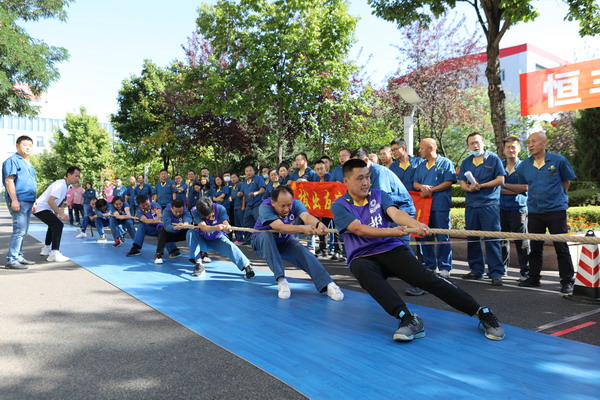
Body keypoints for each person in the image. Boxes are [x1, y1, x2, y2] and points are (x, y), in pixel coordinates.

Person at [331, 159, 504, 341]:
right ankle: (408, 319)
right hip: (362, 255)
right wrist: (391, 231)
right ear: (346, 181)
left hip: (390, 248)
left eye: (368, 177)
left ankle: (481, 312)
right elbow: (359, 229)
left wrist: (416, 224)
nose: (366, 182)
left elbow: (396, 214)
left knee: (427, 279)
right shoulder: (340, 205)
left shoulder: (379, 195)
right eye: (360, 178)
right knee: (362, 271)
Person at [251, 186, 344, 301]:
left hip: (284, 241)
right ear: (273, 203)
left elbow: (306, 216)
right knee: (266, 235)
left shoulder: (296, 204)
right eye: (282, 206)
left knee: (303, 251)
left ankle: (328, 284)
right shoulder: (265, 207)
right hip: (262, 242)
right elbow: (280, 227)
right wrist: (302, 229)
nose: (286, 209)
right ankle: (281, 280)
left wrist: (318, 225)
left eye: (289, 205)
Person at [515, 131, 577, 294]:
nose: (530, 145)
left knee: (561, 246)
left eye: (534, 141)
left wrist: (558, 199)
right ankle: (534, 278)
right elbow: (524, 186)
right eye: (528, 142)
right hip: (534, 211)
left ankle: (567, 280)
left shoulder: (559, 161)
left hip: (556, 211)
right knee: (535, 247)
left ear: (544, 143)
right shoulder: (524, 165)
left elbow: (566, 182)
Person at [458, 132, 506, 286]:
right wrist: (468, 188)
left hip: (489, 205)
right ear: (468, 146)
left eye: (477, 142)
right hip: (471, 204)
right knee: (472, 238)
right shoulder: (466, 161)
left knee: (492, 238)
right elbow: (461, 182)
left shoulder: (493, 159)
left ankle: (496, 273)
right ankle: (476, 270)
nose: (475, 145)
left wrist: (482, 186)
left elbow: (501, 179)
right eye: (471, 143)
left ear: (483, 143)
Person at [412, 138, 456, 279]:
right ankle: (429, 265)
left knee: (443, 235)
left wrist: (431, 189)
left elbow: (449, 182)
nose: (419, 151)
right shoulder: (421, 165)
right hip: (424, 207)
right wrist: (421, 187)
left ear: (431, 148)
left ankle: (444, 267)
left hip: (440, 206)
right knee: (425, 235)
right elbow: (415, 183)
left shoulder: (446, 163)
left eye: (421, 148)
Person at [187, 197, 256, 278]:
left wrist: (227, 227)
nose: (207, 218)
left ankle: (246, 266)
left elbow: (225, 222)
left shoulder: (220, 208)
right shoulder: (194, 210)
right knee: (190, 233)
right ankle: (199, 264)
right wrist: (216, 227)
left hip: (217, 238)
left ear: (212, 208)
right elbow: (204, 228)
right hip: (201, 239)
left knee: (230, 246)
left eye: (209, 215)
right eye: (204, 216)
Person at [33, 166, 81, 262]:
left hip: (44, 208)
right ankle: (54, 253)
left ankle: (46, 249)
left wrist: (56, 213)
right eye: (76, 176)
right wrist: (61, 214)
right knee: (58, 225)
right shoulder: (61, 184)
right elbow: (50, 201)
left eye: (78, 176)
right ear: (69, 175)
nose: (77, 178)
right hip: (41, 207)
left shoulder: (66, 185)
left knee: (53, 225)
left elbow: (55, 201)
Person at [3, 135, 37, 269]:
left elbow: (31, 183)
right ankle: (11, 260)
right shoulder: (12, 161)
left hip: (28, 200)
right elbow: (9, 181)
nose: (28, 147)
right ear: (17, 146)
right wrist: (14, 200)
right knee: (19, 230)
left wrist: (34, 201)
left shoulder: (28, 162)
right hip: (20, 200)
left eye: (30, 145)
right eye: (25, 144)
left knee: (23, 230)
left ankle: (18, 256)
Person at [500, 136, 530, 280]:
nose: (511, 150)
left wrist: (504, 185)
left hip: (519, 208)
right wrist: (515, 189)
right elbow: (495, 188)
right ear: (504, 149)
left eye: (513, 147)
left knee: (522, 241)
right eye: (508, 147)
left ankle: (525, 271)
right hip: (501, 207)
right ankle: (502, 269)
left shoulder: (525, 166)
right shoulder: (498, 165)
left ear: (519, 149)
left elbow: (526, 187)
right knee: (501, 239)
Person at [154, 199, 193, 264]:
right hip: (170, 234)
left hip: (181, 232)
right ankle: (159, 255)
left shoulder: (184, 209)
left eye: (180, 212)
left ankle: (200, 254)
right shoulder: (166, 211)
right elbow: (167, 226)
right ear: (171, 208)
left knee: (192, 232)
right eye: (176, 212)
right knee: (162, 231)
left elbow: (188, 218)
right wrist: (176, 227)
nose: (178, 213)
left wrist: (186, 224)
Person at [240, 166, 266, 243]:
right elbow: (244, 195)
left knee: (259, 222)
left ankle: (260, 240)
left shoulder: (258, 178)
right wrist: (243, 205)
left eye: (250, 170)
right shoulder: (244, 182)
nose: (248, 172)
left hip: (257, 204)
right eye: (247, 171)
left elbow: (263, 190)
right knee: (246, 223)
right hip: (248, 206)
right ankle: (248, 240)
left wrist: (255, 193)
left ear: (254, 171)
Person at [229, 173, 245, 244]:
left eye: (234, 177)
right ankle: (239, 239)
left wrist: (243, 206)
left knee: (243, 222)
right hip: (235, 206)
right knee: (237, 223)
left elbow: (243, 195)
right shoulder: (233, 186)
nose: (233, 179)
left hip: (240, 206)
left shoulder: (241, 185)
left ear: (238, 178)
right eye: (231, 178)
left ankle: (247, 238)